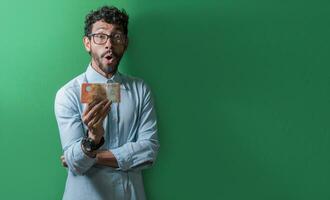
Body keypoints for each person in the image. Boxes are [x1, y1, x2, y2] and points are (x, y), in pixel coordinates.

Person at [54, 6, 159, 200]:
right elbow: (77, 164)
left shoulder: (140, 89)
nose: (109, 44)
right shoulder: (68, 94)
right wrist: (92, 140)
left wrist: (92, 157)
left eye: (116, 37)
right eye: (100, 36)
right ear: (88, 43)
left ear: (125, 43)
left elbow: (149, 151)